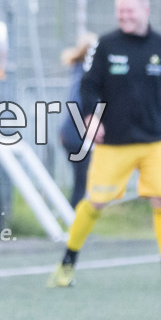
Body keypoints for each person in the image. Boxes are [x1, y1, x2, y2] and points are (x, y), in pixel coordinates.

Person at [48, 0, 161, 288]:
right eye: (120, 11)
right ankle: (66, 265)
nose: (124, 16)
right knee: (95, 202)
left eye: (129, 10)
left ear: (145, 11)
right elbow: (88, 86)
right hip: (114, 142)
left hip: (155, 141)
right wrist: (90, 117)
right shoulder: (105, 46)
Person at [59, 32, 97, 207]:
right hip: (77, 137)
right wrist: (89, 121)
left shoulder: (80, 70)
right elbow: (76, 102)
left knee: (82, 181)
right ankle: (74, 221)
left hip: (73, 135)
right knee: (82, 182)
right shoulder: (84, 74)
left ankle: (74, 219)